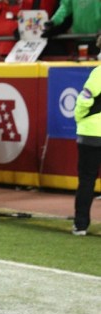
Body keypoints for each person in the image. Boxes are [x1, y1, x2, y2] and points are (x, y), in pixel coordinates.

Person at [72, 63, 101, 236]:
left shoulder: (99, 72)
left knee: (87, 179)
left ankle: (81, 224)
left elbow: (84, 100)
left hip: (92, 132)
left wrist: (80, 117)